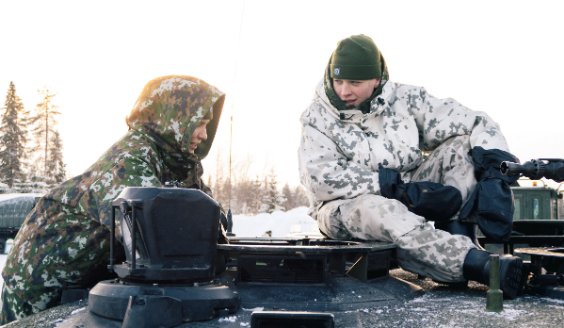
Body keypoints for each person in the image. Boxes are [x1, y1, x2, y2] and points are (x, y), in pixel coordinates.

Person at [298, 35, 525, 299]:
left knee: (461, 146)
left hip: (409, 187)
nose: (344, 91)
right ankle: (474, 264)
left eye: (355, 82)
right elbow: (321, 179)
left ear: (376, 79)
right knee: (382, 210)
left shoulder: (404, 100)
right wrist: (391, 187)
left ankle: (457, 238)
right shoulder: (317, 118)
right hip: (344, 207)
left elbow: (474, 122)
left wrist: (496, 168)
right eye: (338, 81)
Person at [0, 75, 226, 324]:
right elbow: (164, 238)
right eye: (199, 124)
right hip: (41, 277)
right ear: (173, 119)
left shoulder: (174, 163)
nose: (204, 135)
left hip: (86, 280)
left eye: (208, 125)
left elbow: (209, 222)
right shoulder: (130, 160)